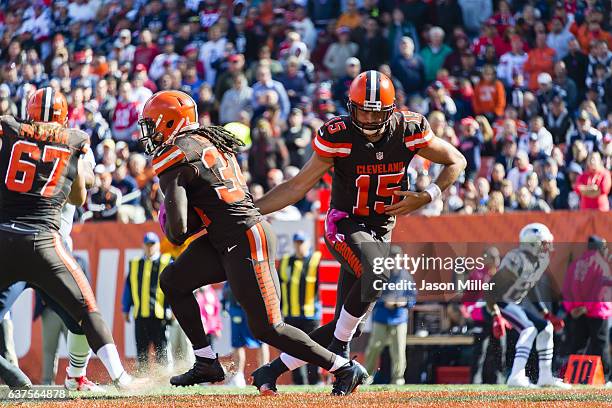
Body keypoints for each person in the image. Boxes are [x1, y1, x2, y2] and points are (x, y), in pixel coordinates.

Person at [138, 90, 365, 395]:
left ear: (170, 122)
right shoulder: (210, 141)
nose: (150, 134)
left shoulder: (175, 153)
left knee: (268, 328)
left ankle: (343, 367)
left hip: (243, 236)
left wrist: (167, 210)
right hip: (227, 235)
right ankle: (206, 361)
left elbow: (177, 232)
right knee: (174, 280)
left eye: (153, 125)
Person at [250, 70, 466, 391]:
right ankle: (339, 354)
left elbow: (456, 161)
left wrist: (427, 195)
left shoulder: (408, 130)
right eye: (361, 109)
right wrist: (251, 211)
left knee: (345, 326)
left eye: (375, 111)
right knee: (375, 277)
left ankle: (273, 370)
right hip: (344, 222)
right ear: (350, 107)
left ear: (389, 112)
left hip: (380, 230)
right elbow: (297, 186)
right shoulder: (338, 134)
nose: (366, 117)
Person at [0, 87, 140, 389]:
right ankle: (120, 378)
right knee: (86, 311)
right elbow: (79, 193)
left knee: (72, 322)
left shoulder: (10, 131)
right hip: (47, 244)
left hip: (6, 239)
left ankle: (73, 376)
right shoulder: (72, 143)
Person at [485, 223, 569, 388]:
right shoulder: (517, 259)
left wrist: (545, 313)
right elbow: (491, 290)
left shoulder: (538, 261)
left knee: (546, 328)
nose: (547, 246)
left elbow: (530, 289)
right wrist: (495, 315)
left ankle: (545, 377)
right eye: (543, 243)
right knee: (529, 329)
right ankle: (516, 376)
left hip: (513, 303)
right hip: (501, 303)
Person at [363, 246, 416, 385]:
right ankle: (366, 376)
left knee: (398, 350)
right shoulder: (380, 274)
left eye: (397, 258)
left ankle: (398, 378)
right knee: (375, 346)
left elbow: (412, 297)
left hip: (399, 318)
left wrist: (404, 302)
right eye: (391, 258)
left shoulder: (406, 276)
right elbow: (372, 295)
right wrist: (384, 301)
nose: (394, 261)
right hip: (381, 317)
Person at [562, 235, 611, 381]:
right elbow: (599, 291)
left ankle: (572, 378)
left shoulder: (575, 263)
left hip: (577, 313)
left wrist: (572, 308)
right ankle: (606, 379)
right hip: (597, 311)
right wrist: (586, 307)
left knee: (577, 345)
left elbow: (566, 288)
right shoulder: (601, 264)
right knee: (600, 346)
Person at [122, 232, 172, 372]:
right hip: (140, 315)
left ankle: (163, 381)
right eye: (147, 244)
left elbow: (174, 287)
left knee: (161, 350)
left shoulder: (167, 262)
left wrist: (173, 309)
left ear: (158, 245)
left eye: (152, 244)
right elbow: (128, 287)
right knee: (141, 351)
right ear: (143, 245)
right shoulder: (135, 264)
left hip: (160, 315)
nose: (150, 247)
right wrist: (125, 309)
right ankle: (143, 382)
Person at [278, 231, 323, 385]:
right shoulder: (285, 262)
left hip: (311, 315)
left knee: (313, 349)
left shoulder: (316, 260)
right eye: (297, 243)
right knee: (293, 351)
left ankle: (315, 381)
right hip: (291, 315)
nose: (299, 246)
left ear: (308, 243)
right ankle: (299, 383)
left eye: (302, 243)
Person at [223, 283, 270, 387]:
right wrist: (224, 302)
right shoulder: (232, 267)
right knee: (237, 343)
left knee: (262, 340)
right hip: (236, 307)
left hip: (256, 307)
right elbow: (227, 283)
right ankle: (238, 376)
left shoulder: (257, 267)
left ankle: (265, 374)